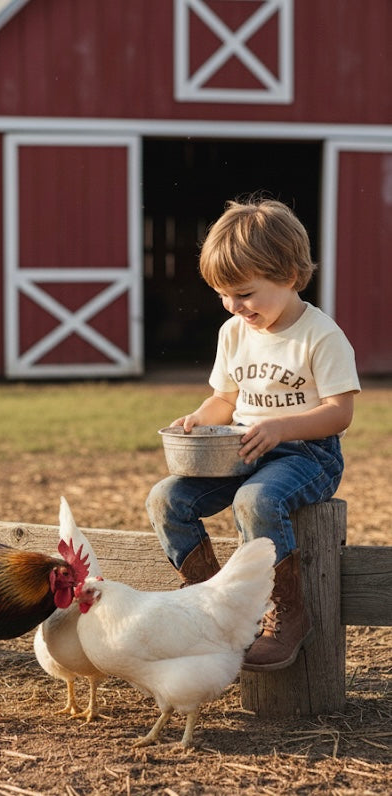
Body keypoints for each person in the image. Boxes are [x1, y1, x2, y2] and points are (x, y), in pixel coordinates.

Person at [145, 197, 361, 671]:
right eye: (223, 295)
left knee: (256, 502)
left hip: (307, 453)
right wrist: (200, 419)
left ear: (287, 275)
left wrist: (281, 427)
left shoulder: (320, 335)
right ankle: (214, 605)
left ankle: (286, 612)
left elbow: (340, 413)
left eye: (243, 293)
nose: (233, 306)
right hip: (242, 448)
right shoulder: (233, 333)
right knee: (165, 500)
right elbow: (224, 399)